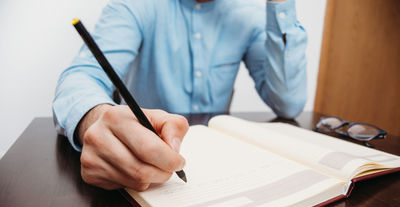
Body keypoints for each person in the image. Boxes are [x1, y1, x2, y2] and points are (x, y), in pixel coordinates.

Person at [53, 0, 307, 191]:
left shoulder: (248, 16)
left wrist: (280, 5)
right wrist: (96, 117)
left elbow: (287, 103)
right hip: (141, 165)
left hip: (222, 165)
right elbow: (82, 77)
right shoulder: (135, 5)